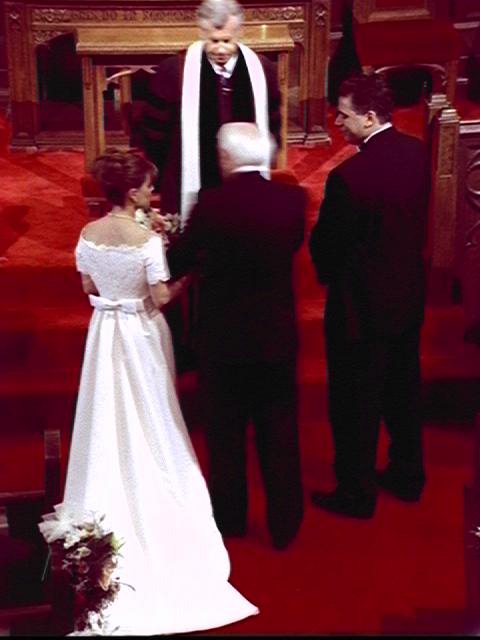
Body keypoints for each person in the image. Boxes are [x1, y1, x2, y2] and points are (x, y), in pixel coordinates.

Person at [44, 150, 258, 634]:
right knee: (153, 410)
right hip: (140, 332)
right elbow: (159, 297)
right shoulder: (146, 240)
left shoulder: (88, 233)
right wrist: (187, 279)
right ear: (131, 191)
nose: (151, 193)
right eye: (146, 186)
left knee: (105, 407)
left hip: (104, 333)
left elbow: (87, 284)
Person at [167, 122, 306, 550]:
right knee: (279, 432)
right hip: (275, 335)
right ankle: (285, 523)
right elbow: (292, 246)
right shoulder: (293, 200)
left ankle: (230, 518)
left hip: (223, 339)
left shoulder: (211, 204)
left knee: (225, 434)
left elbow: (179, 260)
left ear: (226, 157)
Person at [309, 73, 430, 519]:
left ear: (370, 117)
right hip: (407, 297)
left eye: (343, 115)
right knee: (403, 393)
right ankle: (408, 475)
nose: (337, 122)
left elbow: (327, 245)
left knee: (354, 404)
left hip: (359, 309)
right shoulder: (418, 153)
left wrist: (331, 276)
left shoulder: (348, 177)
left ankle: (356, 493)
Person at [131, 0, 281, 227]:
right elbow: (155, 135)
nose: (220, 49)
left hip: (244, 179)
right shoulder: (174, 71)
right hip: (187, 174)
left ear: (239, 34)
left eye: (227, 41)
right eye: (213, 41)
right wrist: (167, 172)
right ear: (202, 34)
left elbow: (272, 126)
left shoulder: (262, 70)